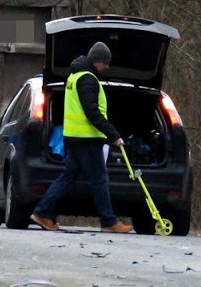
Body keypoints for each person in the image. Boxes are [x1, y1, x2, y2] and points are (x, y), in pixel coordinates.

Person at [30, 41, 133, 233]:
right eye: (105, 63)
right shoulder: (88, 79)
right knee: (99, 180)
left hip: (74, 137)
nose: (107, 67)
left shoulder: (74, 76)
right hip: (87, 138)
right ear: (96, 61)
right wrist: (113, 135)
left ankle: (42, 212)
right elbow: (92, 111)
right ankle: (109, 222)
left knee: (68, 177)